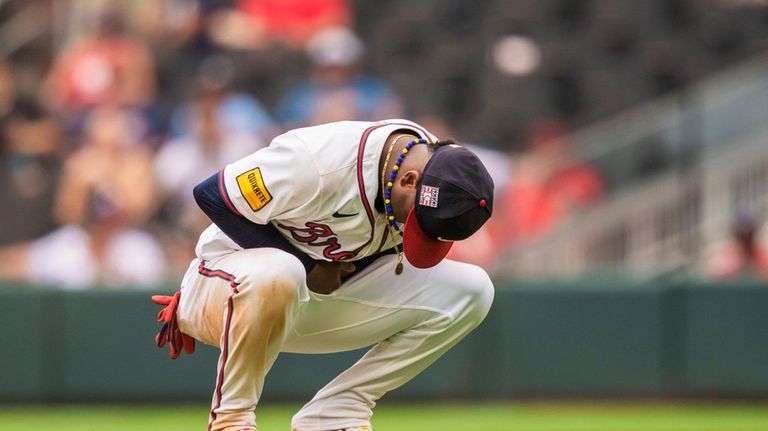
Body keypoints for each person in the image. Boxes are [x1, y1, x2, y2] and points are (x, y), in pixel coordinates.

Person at [152, 119, 495, 431]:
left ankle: (336, 412)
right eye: (416, 220)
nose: (412, 229)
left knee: (473, 290)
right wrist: (309, 265)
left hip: (309, 301)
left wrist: (320, 271)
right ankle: (232, 419)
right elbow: (212, 194)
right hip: (224, 287)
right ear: (407, 180)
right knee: (281, 270)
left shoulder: (434, 173)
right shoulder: (319, 161)